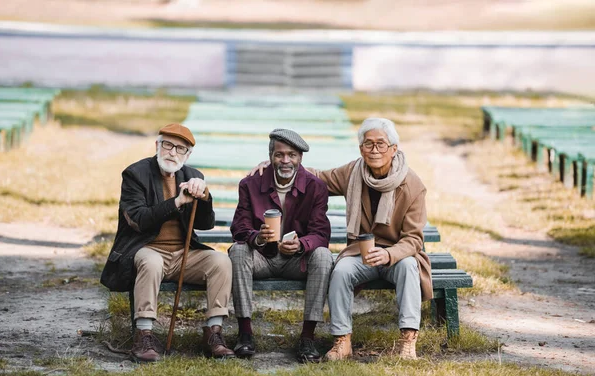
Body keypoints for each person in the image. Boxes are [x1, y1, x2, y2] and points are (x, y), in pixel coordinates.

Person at [252, 118, 431, 361]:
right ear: (360, 149)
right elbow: (317, 177)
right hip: (361, 252)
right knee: (341, 270)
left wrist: (389, 254)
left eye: (381, 144)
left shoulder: (412, 185)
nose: (375, 150)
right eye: (368, 144)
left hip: (396, 255)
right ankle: (342, 341)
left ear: (394, 149)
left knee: (410, 267)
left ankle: (408, 341)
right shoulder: (353, 173)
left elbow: (413, 240)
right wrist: (275, 165)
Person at [100, 123, 234, 362]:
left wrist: (204, 197)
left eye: (180, 149)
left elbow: (205, 224)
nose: (172, 152)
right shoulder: (135, 174)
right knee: (151, 262)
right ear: (157, 145)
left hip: (184, 254)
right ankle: (144, 334)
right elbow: (139, 220)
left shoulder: (193, 176)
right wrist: (177, 202)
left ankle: (213, 333)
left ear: (187, 155)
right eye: (168, 145)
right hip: (146, 250)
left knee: (221, 262)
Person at [229, 128, 333, 363]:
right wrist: (258, 237)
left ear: (300, 158)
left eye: (292, 155)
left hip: (297, 260)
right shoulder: (250, 184)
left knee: (324, 256)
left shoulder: (316, 187)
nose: (286, 160)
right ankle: (245, 333)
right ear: (271, 157)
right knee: (237, 251)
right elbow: (239, 227)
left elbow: (321, 233)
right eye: (279, 155)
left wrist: (301, 245)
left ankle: (307, 337)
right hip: (261, 257)